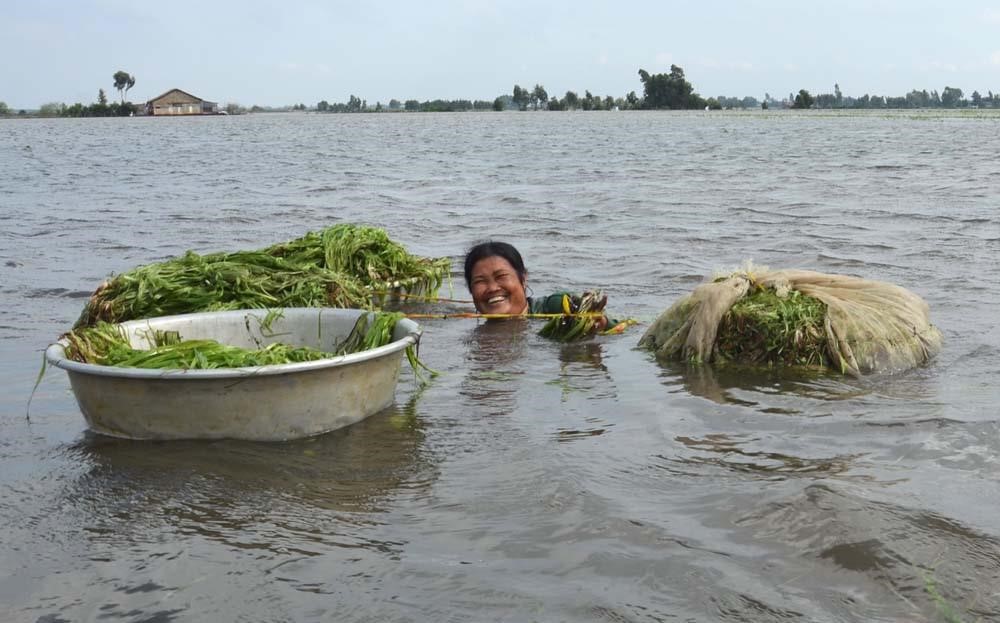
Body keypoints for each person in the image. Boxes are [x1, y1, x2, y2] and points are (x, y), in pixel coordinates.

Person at [463, 241, 610, 331]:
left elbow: (613, 325)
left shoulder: (554, 307)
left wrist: (599, 323)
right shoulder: (474, 336)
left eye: (501, 276)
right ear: (470, 290)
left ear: (523, 278)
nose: (492, 288)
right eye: (480, 281)